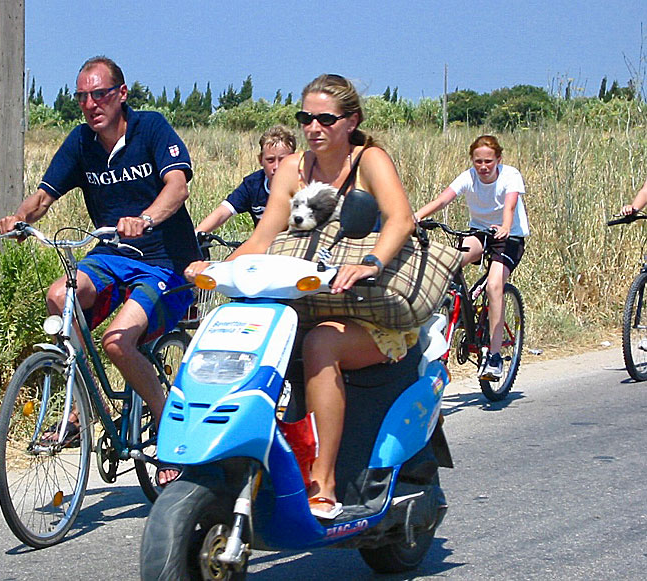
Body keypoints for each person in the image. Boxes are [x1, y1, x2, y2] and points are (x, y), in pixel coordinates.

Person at [184, 74, 417, 519]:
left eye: (325, 118)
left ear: (350, 121)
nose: (314, 127)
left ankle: (323, 482)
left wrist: (371, 260)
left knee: (319, 344)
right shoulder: (291, 168)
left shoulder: (369, 160)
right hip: (309, 301)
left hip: (368, 310)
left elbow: (400, 220)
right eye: (306, 117)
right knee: (245, 340)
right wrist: (217, 270)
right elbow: (264, 236)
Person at [0, 56, 201, 485]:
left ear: (121, 94)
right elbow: (42, 197)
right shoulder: (82, 142)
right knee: (60, 297)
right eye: (83, 97)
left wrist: (145, 218)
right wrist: (20, 220)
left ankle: (169, 430)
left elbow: (177, 186)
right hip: (111, 255)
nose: (91, 104)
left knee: (115, 342)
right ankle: (82, 408)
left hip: (163, 262)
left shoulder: (151, 128)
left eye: (100, 94)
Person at [414, 135, 529, 381]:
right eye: (478, 161)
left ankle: (495, 357)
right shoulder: (469, 177)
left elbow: (509, 206)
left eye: (489, 161)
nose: (483, 166)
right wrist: (415, 217)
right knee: (450, 261)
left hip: (510, 237)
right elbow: (443, 199)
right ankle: (456, 313)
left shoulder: (510, 176)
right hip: (480, 232)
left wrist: (506, 226)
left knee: (495, 285)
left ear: (499, 159)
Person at [195, 125, 296, 233]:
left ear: (294, 159)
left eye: (282, 160)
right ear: (260, 160)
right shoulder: (253, 184)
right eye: (270, 160)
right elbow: (223, 212)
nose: (276, 166)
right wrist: (196, 235)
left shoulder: (305, 184)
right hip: (263, 245)